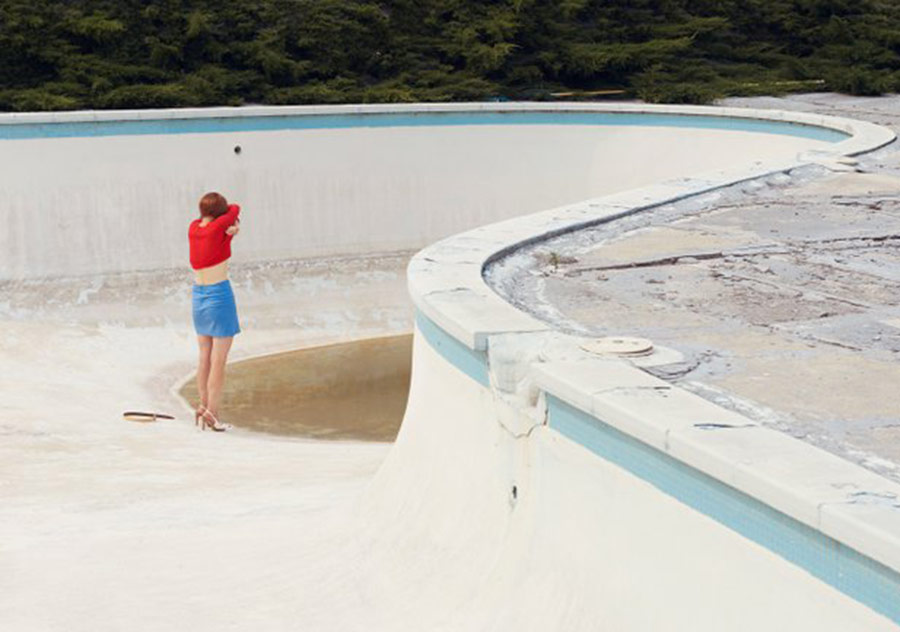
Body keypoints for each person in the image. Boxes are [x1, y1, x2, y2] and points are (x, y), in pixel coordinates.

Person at [188, 192, 242, 431]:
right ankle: (213, 412)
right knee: (219, 361)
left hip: (198, 296)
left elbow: (222, 232)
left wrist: (230, 231)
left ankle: (203, 406)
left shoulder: (193, 228)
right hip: (219, 296)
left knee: (204, 357)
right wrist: (232, 222)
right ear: (220, 215)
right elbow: (235, 208)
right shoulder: (217, 227)